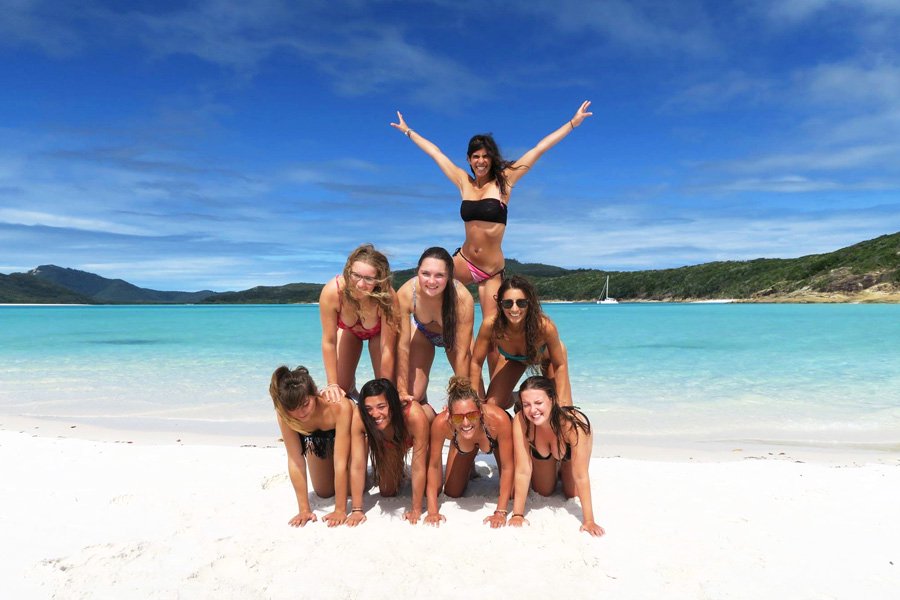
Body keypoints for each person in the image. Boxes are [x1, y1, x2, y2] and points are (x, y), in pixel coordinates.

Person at [390, 101, 593, 322]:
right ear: (469, 159)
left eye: (486, 156)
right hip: (464, 261)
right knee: (424, 287)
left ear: (492, 159)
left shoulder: (505, 181)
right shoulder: (463, 182)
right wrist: (408, 131)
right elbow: (436, 154)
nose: (481, 161)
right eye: (476, 156)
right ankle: (429, 333)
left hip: (491, 270)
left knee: (492, 325)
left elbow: (538, 149)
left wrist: (572, 123)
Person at [508, 376, 604, 536]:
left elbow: (581, 476)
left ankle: (562, 467)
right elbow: (523, 470)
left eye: (538, 403)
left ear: (552, 399)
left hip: (568, 453)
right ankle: (553, 466)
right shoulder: (521, 421)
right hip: (542, 452)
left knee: (572, 493)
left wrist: (589, 521)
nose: (532, 410)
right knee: (544, 491)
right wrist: (518, 514)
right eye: (526, 405)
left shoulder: (574, 426)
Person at [269, 365, 362, 527]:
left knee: (350, 489)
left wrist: (340, 509)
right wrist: (304, 509)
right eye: (293, 409)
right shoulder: (284, 415)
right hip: (318, 441)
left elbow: (340, 462)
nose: (301, 413)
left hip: (351, 436)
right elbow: (295, 459)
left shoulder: (338, 406)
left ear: (314, 393)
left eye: (305, 404)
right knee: (324, 492)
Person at [470, 275, 572, 410]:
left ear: (529, 303)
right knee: (493, 406)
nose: (514, 309)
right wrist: (474, 400)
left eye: (521, 303)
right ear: (500, 303)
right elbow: (476, 363)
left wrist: (564, 404)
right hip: (514, 359)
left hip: (548, 359)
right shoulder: (491, 326)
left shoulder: (544, 326)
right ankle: (520, 398)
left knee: (560, 407)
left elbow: (559, 365)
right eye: (508, 303)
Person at [396, 247, 475, 420]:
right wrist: (401, 388)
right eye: (425, 274)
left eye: (439, 275)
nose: (431, 281)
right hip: (423, 334)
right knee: (412, 396)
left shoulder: (462, 298)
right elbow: (402, 347)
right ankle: (429, 416)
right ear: (417, 272)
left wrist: (458, 397)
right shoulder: (406, 293)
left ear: (449, 277)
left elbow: (462, 353)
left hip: (454, 338)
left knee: (473, 396)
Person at [424, 376, 513, 528]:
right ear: (449, 417)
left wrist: (500, 512)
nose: (465, 422)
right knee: (452, 492)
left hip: (494, 439)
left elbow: (507, 467)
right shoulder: (441, 424)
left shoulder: (498, 420)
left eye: (471, 415)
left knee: (513, 493)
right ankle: (468, 465)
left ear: (480, 412)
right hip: (463, 441)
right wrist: (432, 511)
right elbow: (433, 466)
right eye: (458, 418)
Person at [318, 244, 399, 402]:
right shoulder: (333, 292)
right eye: (356, 275)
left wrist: (387, 388)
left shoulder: (387, 297)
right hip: (350, 332)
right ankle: (352, 389)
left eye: (369, 279)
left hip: (379, 335)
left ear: (378, 280)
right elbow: (329, 341)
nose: (361, 284)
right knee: (340, 389)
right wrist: (332, 384)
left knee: (385, 388)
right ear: (348, 271)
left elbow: (387, 348)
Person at [349, 378, 430, 524]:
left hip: (425, 435)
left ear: (392, 404)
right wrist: (356, 510)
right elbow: (357, 465)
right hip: (390, 442)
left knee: (433, 490)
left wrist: (416, 509)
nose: (374, 414)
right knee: (387, 492)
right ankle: (396, 466)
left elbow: (418, 468)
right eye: (368, 409)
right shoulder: (360, 416)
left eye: (381, 406)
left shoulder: (413, 415)